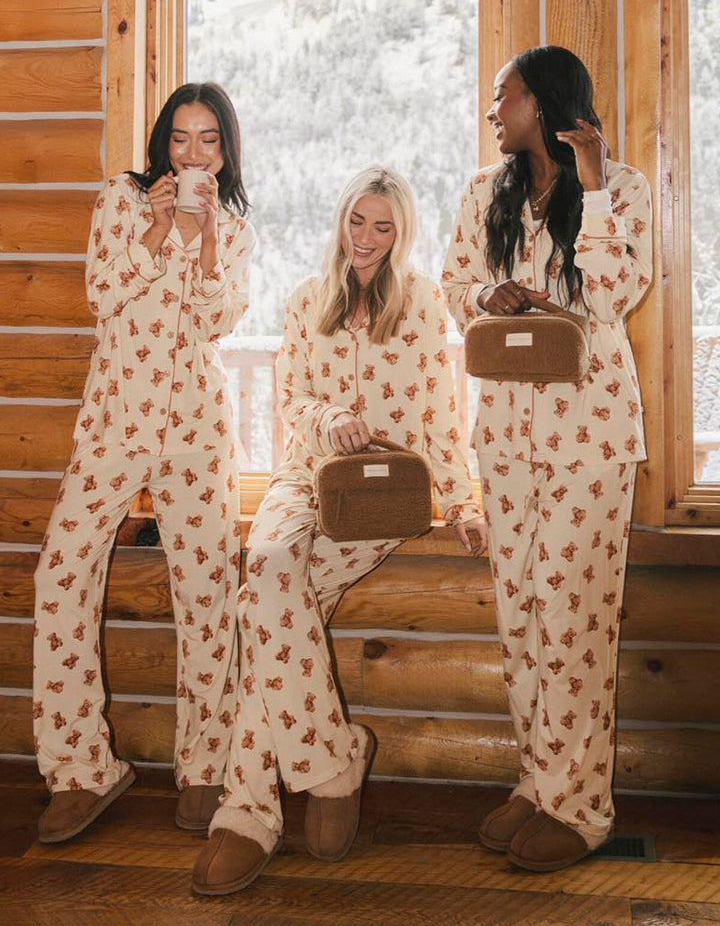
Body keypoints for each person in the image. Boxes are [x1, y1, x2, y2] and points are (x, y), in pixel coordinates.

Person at [191, 165, 486, 895]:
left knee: (264, 614)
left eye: (383, 227)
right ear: (342, 219)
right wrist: (329, 419)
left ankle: (247, 811)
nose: (367, 238)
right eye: (358, 221)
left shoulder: (421, 304)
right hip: (304, 476)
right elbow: (291, 397)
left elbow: (440, 411)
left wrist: (462, 502)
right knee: (265, 571)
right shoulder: (305, 300)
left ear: (400, 233)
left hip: (383, 495)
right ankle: (333, 760)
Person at [442, 46, 653, 872]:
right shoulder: (482, 194)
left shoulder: (622, 187)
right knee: (520, 615)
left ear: (541, 102)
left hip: (590, 439)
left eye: (505, 96)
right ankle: (539, 781)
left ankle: (582, 808)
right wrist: (485, 295)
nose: (493, 110)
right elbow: (454, 285)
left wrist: (592, 188)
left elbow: (614, 297)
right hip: (505, 437)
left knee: (575, 619)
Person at [33, 82, 256, 842]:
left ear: (224, 152)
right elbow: (102, 295)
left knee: (206, 592)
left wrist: (207, 238)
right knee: (60, 574)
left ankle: (206, 765)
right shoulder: (122, 200)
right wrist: (159, 229)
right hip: (115, 421)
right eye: (181, 138)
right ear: (164, 143)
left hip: (195, 426)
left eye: (209, 141)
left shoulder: (233, 224)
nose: (193, 154)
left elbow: (219, 320)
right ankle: (80, 769)